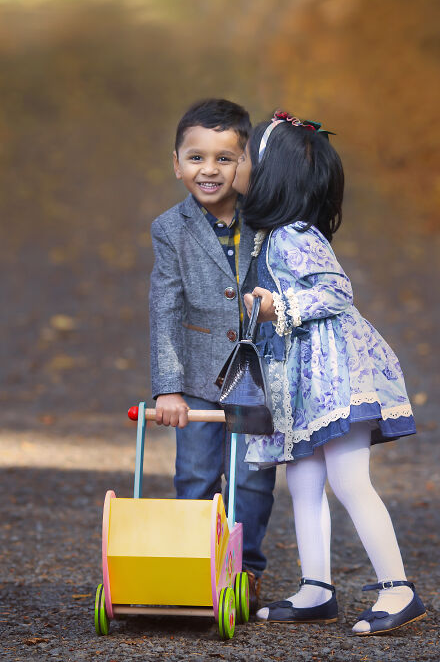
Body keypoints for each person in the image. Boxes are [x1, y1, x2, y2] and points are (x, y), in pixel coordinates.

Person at [232, 110, 426, 635]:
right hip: (308, 381)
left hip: (337, 377)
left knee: (347, 478)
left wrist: (282, 307)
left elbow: (338, 291)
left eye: (248, 158)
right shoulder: (271, 235)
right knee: (304, 478)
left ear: (274, 176)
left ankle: (397, 587)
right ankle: (316, 587)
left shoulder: (294, 234)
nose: (239, 165)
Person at [148, 98, 277, 609]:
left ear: (243, 163)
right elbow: (165, 308)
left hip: (259, 377)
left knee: (252, 479)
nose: (210, 169)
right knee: (197, 475)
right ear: (177, 163)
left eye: (225, 158)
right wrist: (167, 387)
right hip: (199, 380)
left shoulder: (267, 222)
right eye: (197, 157)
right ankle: (193, 566)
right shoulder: (169, 228)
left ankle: (246, 568)